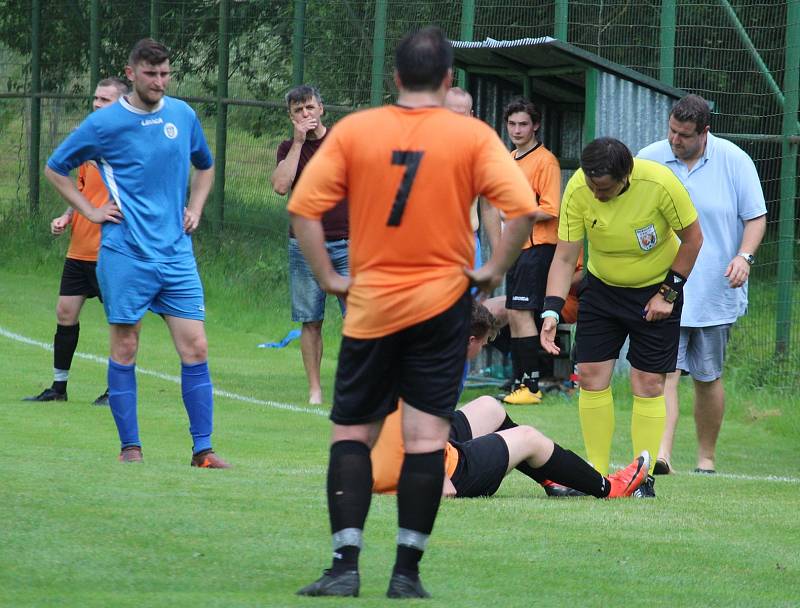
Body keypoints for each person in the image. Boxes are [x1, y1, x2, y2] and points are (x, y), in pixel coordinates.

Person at [288, 26, 538, 599]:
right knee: (426, 441)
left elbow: (304, 208)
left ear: (396, 78)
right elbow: (520, 209)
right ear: (448, 78)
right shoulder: (471, 138)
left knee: (352, 434)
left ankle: (344, 565)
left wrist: (330, 278)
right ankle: (406, 574)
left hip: (373, 307)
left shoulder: (357, 130)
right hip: (441, 309)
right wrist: (491, 270)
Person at [44, 39, 228, 468]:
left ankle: (203, 450)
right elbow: (56, 167)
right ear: (131, 73)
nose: (160, 82)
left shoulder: (182, 115)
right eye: (151, 74)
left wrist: (195, 208)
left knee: (196, 347)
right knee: (126, 347)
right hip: (125, 253)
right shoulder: (105, 124)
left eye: (165, 74)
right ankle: (131, 448)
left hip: (176, 254)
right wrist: (89, 209)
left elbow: (206, 164)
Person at [540, 137, 703, 498]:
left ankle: (642, 479)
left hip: (656, 291)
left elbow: (693, 240)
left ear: (625, 176)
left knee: (648, 384)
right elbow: (565, 258)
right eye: (591, 185)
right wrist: (551, 309)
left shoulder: (659, 183)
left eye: (604, 188)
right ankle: (595, 477)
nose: (596, 194)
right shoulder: (578, 190)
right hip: (602, 289)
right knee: (592, 376)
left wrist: (668, 294)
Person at [372, 300, 650, 501]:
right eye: (483, 342)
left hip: (386, 466)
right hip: (426, 474)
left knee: (489, 407)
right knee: (528, 437)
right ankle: (610, 488)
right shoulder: (438, 374)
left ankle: (552, 478)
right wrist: (442, 484)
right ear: (469, 340)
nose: (483, 347)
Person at [638, 94, 767, 474]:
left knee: (708, 377)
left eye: (684, 135)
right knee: (666, 373)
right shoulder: (649, 157)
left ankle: (706, 459)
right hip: (663, 289)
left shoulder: (734, 160)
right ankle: (662, 456)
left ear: (704, 132)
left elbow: (756, 217)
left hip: (715, 290)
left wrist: (743, 257)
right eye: (672, 131)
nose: (675, 140)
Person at [24, 77, 128, 406]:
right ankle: (59, 388)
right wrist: (68, 215)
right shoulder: (88, 143)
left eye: (105, 100)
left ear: (122, 105)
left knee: (120, 323)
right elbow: (81, 190)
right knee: (65, 313)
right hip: (79, 249)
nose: (97, 104)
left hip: (111, 251)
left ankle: (117, 390)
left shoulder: (129, 146)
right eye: (96, 98)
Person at [271, 85, 348, 405]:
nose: (306, 115)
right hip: (304, 247)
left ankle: (357, 385)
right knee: (310, 320)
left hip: (348, 242)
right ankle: (315, 390)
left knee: (360, 319)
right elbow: (279, 186)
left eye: (310, 108)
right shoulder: (289, 147)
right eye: (299, 111)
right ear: (291, 116)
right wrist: (299, 143)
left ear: (322, 109)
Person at [498, 97, 562, 405]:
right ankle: (519, 381)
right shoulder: (510, 157)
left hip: (538, 247)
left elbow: (550, 209)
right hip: (516, 247)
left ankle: (531, 386)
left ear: (535, 125)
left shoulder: (545, 160)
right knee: (513, 312)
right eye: (512, 124)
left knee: (522, 313)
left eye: (524, 124)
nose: (517, 129)